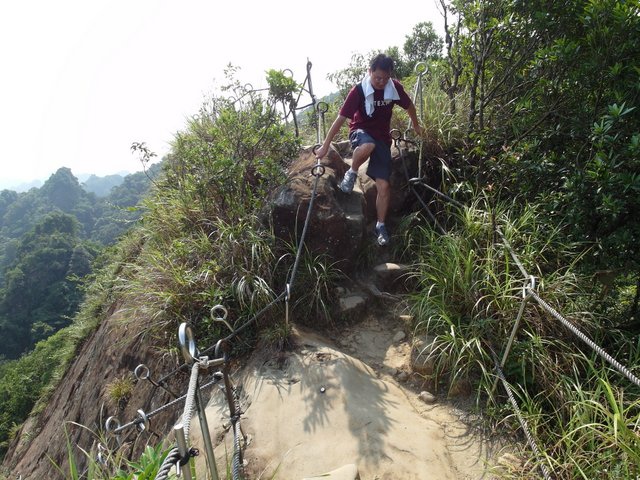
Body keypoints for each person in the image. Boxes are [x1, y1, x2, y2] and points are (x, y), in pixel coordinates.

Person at [315, 53, 424, 246]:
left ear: (390, 75)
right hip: (360, 131)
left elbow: (410, 106)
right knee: (368, 145)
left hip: (383, 138)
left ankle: (380, 226)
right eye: (377, 78)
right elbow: (340, 119)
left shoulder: (394, 88)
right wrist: (325, 146)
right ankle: (352, 172)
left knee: (384, 186)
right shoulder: (359, 90)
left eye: (385, 78)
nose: (381, 82)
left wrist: (415, 126)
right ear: (369, 72)